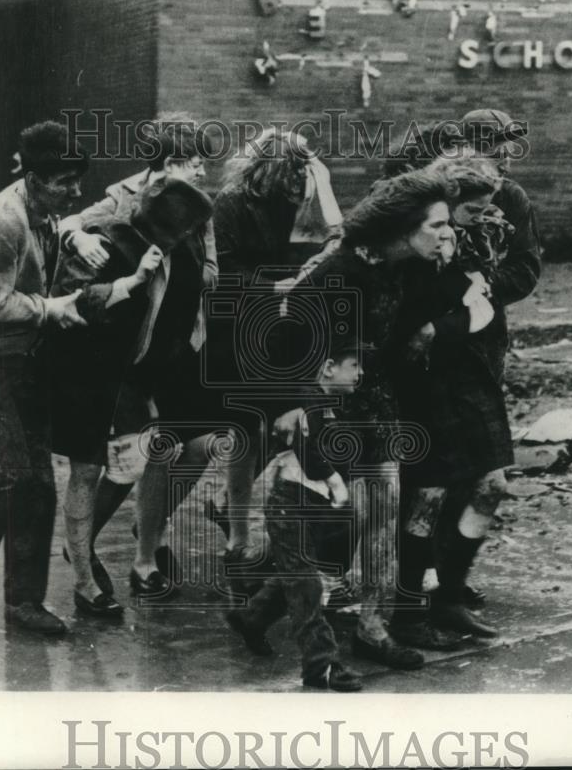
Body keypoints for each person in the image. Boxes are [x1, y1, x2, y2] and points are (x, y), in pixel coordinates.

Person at [275, 169, 460, 669]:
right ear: (402, 226)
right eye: (437, 225)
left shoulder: (411, 267)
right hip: (328, 410)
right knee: (330, 524)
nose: (448, 233)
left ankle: (373, 629)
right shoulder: (339, 271)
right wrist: (296, 402)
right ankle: (263, 612)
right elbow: (287, 336)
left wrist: (445, 270)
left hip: (377, 408)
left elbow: (422, 322)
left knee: (380, 518)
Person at [53, 115, 217, 595]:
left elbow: (211, 270)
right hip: (130, 346)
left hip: (180, 342)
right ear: (169, 165)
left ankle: (147, 541)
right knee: (133, 456)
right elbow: (70, 223)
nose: (204, 171)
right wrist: (82, 239)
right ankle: (82, 545)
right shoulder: (123, 197)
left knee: (196, 445)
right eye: (195, 162)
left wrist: (189, 265)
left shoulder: (200, 208)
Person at [0, 121, 88, 635]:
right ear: (33, 177)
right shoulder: (2, 225)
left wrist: (74, 236)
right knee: (11, 473)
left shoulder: (39, 208)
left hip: (23, 355)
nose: (75, 191)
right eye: (64, 181)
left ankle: (24, 604)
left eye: (77, 179)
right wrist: (51, 309)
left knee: (41, 483)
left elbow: (53, 244)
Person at [208, 129, 343, 574]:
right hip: (241, 325)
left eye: (301, 178)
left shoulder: (300, 197)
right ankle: (240, 536)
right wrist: (272, 286)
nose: (295, 187)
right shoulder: (230, 202)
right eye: (290, 176)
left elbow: (328, 237)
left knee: (291, 419)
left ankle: (253, 516)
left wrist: (318, 186)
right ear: (267, 172)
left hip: (288, 325)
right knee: (245, 429)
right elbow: (223, 270)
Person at [390, 167, 509, 646]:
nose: (478, 220)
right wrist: (449, 316)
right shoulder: (413, 246)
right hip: (423, 388)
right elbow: (406, 321)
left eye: (484, 210)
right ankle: (408, 614)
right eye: (470, 210)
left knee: (492, 485)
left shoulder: (476, 242)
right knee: (426, 499)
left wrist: (448, 325)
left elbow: (487, 306)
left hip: (468, 377)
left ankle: (451, 597)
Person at [224, 337, 368, 692]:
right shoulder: (308, 401)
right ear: (329, 368)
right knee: (307, 584)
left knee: (296, 576)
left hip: (314, 508)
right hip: (291, 504)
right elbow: (311, 453)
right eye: (354, 365)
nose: (361, 374)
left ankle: (250, 617)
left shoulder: (336, 405)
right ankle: (322, 665)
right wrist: (337, 483)